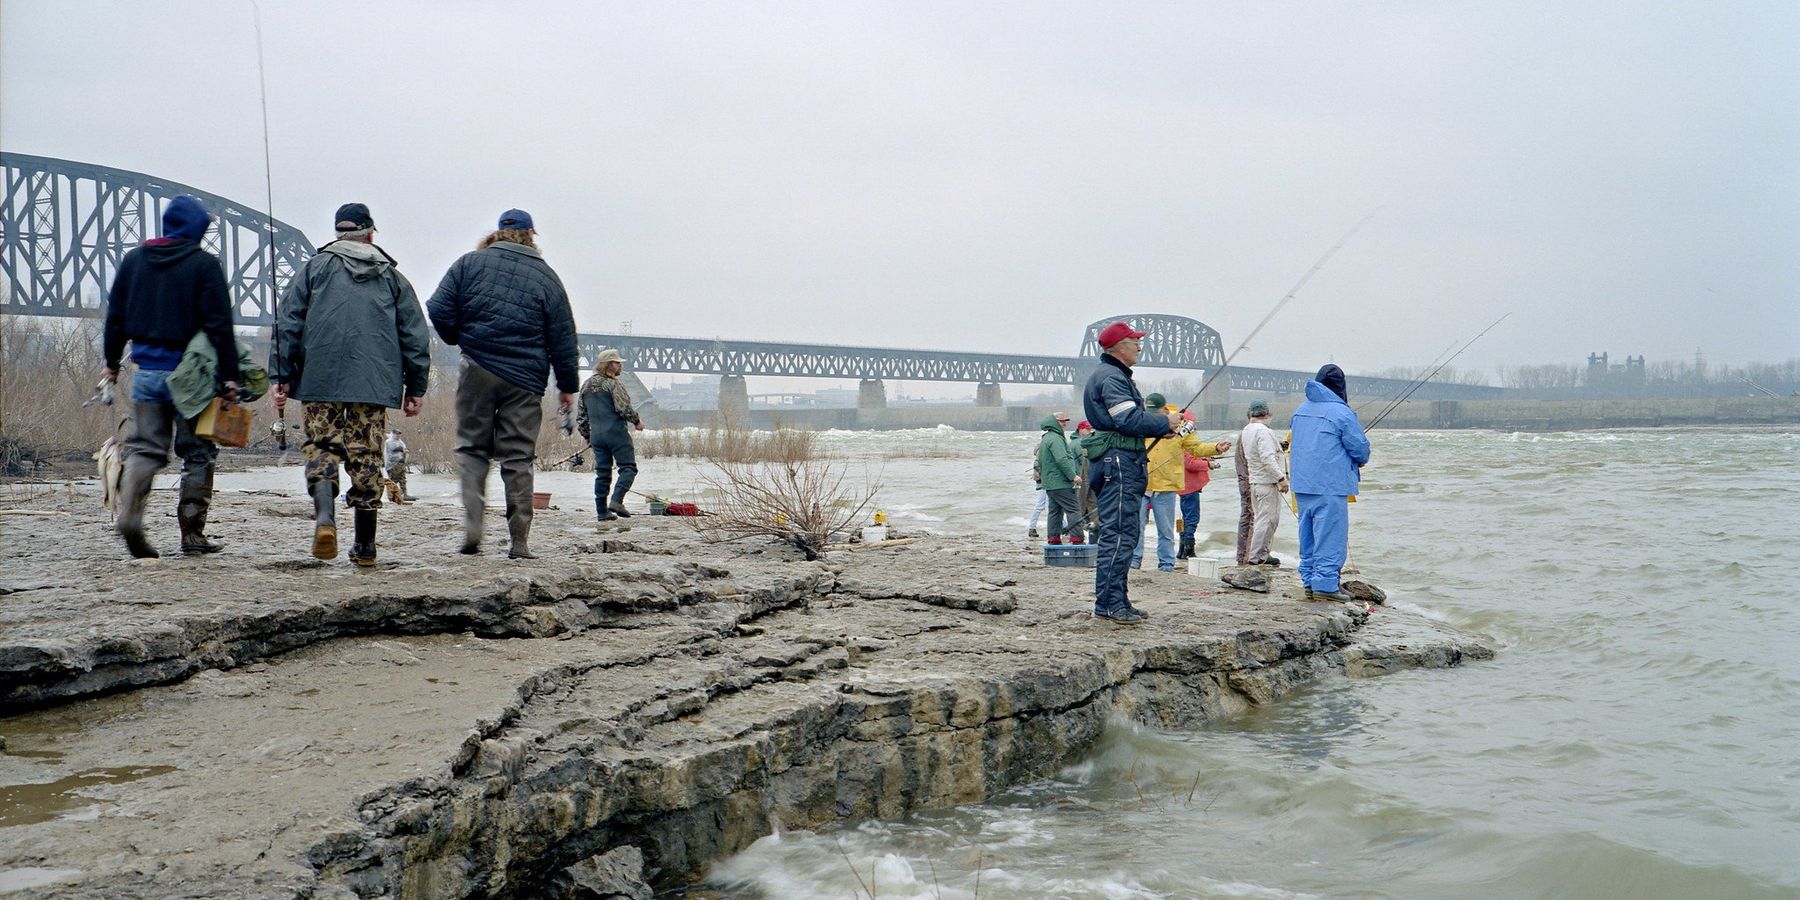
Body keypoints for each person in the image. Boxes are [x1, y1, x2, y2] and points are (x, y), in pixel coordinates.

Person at [271, 203, 430, 565]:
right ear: (370, 234)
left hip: (318, 380)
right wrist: (415, 387)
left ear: (337, 233)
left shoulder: (312, 269)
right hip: (373, 385)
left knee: (321, 446)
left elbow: (288, 324)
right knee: (366, 456)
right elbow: (414, 336)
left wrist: (280, 375)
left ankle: (326, 517)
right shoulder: (393, 278)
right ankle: (365, 546)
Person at [427, 208, 579, 559]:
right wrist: (567, 386)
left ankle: (473, 528)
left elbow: (437, 308)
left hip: (477, 369)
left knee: (471, 448)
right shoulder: (546, 277)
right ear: (531, 235)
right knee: (518, 457)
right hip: (525, 380)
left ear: (499, 233)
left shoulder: (469, 263)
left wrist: (458, 338)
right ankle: (519, 542)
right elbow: (563, 338)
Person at [100, 194, 242, 558]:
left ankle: (130, 515)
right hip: (192, 379)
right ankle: (192, 536)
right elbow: (219, 325)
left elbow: (116, 315)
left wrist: (111, 364)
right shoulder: (204, 265)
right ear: (195, 228)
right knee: (198, 453)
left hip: (147, 373)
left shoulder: (134, 260)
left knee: (146, 449)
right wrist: (229, 377)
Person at [1080, 322, 1181, 624]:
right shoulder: (1112, 377)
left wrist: (1156, 428)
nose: (1139, 346)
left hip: (1118, 461)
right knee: (1120, 533)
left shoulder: (1111, 375)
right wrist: (1165, 422)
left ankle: (1117, 600)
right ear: (1118, 346)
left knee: (1125, 532)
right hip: (1119, 464)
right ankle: (1110, 605)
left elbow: (1127, 422)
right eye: (1134, 341)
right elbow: (1126, 418)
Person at [1289, 364, 1370, 601]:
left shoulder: (1301, 410)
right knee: (1330, 535)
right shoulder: (1342, 413)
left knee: (1308, 535)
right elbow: (1360, 448)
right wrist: (1359, 460)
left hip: (1302, 484)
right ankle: (1325, 584)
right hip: (1330, 485)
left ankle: (1309, 581)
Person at [1137, 394, 1229, 572]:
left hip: (1166, 486)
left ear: (1163, 409)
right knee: (1136, 529)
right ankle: (1134, 562)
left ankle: (1166, 564)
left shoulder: (1180, 425)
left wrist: (1216, 448)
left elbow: (1196, 448)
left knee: (1166, 531)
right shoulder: (1140, 422)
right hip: (1141, 485)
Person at [579, 348, 643, 521]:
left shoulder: (585, 386)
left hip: (597, 436)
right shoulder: (613, 384)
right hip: (616, 433)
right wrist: (637, 421)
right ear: (608, 365)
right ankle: (616, 501)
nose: (620, 365)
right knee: (629, 468)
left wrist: (588, 437)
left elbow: (581, 417)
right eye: (617, 362)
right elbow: (624, 408)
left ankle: (602, 512)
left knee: (602, 473)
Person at [1238, 400, 1288, 566]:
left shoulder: (1247, 430)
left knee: (1264, 520)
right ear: (1267, 414)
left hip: (1255, 482)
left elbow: (1257, 453)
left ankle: (1262, 555)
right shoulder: (1263, 431)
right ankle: (1255, 558)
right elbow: (1266, 458)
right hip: (1267, 483)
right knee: (1267, 522)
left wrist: (1278, 447)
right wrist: (1281, 478)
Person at [1035, 412, 1083, 545]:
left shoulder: (1047, 438)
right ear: (1055, 423)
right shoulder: (1056, 438)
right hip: (1061, 483)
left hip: (1050, 484)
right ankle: (1077, 539)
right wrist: (1073, 476)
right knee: (1073, 510)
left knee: (1054, 512)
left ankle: (1054, 539)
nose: (1065, 424)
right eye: (1062, 421)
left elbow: (1040, 461)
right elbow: (1061, 459)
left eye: (1065, 421)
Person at [1176, 409, 1218, 560]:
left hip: (1182, 486)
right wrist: (1208, 463)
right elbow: (1190, 463)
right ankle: (1189, 550)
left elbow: (1190, 458)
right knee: (1192, 518)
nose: (1194, 429)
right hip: (1189, 486)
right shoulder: (1183, 440)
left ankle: (1182, 549)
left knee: (1184, 518)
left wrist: (1205, 458)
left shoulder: (1176, 438)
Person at [1074, 420, 1097, 535]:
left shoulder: (1075, 442)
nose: (1090, 431)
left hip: (1078, 479)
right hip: (1080, 479)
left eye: (1090, 429)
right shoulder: (1082, 443)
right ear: (1080, 429)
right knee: (1087, 505)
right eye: (1087, 429)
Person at [384, 429, 415, 503]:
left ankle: (404, 494)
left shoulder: (400, 441)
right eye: (396, 434)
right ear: (393, 434)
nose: (398, 435)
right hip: (392, 465)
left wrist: (405, 451)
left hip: (400, 463)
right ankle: (391, 496)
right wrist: (402, 449)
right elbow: (393, 449)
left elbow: (403, 449)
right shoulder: (389, 441)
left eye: (399, 434)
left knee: (402, 479)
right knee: (393, 480)